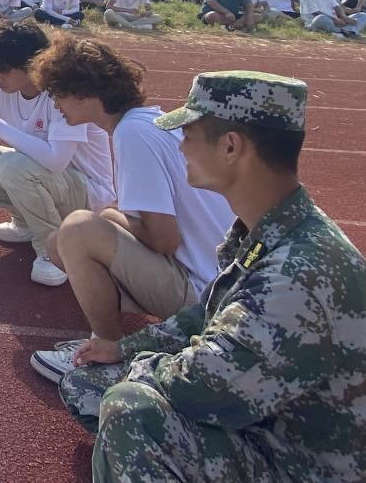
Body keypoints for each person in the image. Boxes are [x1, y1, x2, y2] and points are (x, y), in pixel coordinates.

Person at [58, 72, 366, 482]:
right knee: (86, 385)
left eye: (188, 135)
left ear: (231, 146)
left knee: (130, 411)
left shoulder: (298, 271)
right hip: (269, 423)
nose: (180, 146)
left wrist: (136, 367)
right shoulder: (270, 229)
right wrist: (125, 347)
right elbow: (202, 316)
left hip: (306, 462)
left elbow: (205, 387)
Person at [24, 37, 235, 381]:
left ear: (84, 94)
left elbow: (164, 240)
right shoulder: (149, 122)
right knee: (61, 241)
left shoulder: (131, 134)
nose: (54, 104)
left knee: (77, 230)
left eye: (57, 93)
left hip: (204, 300)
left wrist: (108, 219)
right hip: (220, 287)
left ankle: (109, 355)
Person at [0, 23, 114, 286]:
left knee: (13, 165)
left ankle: (54, 251)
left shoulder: (63, 93)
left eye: (4, 71)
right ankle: (25, 223)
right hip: (44, 180)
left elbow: (57, 161)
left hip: (88, 192)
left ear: (32, 65)